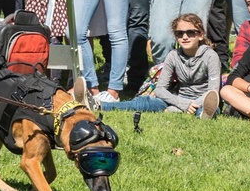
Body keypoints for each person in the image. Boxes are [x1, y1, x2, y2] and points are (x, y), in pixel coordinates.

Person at [83, 14, 221, 119]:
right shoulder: (173, 56)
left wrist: (185, 107)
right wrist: (182, 104)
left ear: (201, 35)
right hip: (178, 100)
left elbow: (213, 93)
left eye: (191, 32)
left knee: (212, 108)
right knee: (145, 101)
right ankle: (100, 105)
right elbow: (160, 89)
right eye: (180, 33)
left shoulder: (210, 56)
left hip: (203, 101)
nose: (185, 37)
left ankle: (202, 114)